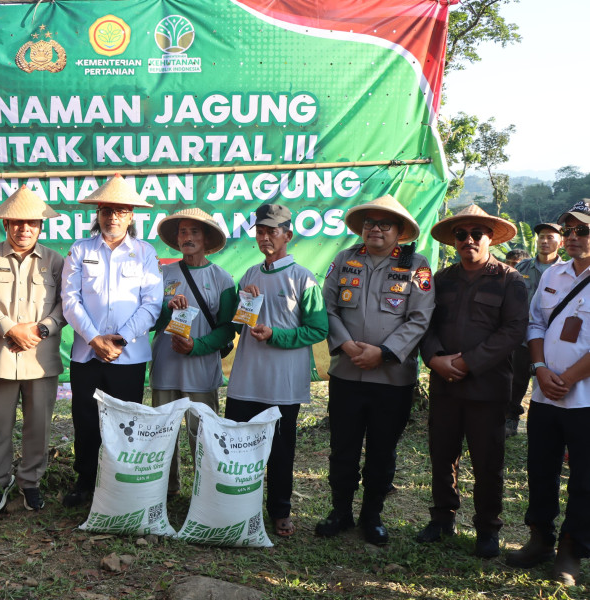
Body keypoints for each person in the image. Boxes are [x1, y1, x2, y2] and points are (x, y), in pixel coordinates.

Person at [315, 195, 434, 545]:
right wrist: (348, 346)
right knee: (343, 447)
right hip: (347, 373)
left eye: (385, 224)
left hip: (392, 379)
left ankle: (372, 515)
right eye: (370, 223)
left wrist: (383, 352)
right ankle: (340, 511)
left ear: (399, 231)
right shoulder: (345, 259)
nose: (376, 229)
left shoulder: (418, 266)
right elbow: (328, 307)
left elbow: (420, 318)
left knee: (382, 450)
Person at [417, 204, 528, 558]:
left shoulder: (511, 280)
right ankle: (442, 518)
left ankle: (487, 528)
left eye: (476, 234)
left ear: (490, 238)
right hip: (445, 385)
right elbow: (425, 324)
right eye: (461, 235)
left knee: (488, 462)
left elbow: (514, 330)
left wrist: (468, 361)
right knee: (442, 455)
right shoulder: (441, 279)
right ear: (453, 241)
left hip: (488, 388)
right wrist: (434, 359)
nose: (469, 240)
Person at [224, 203, 328, 538]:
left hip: (283, 384)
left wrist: (276, 335)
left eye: (273, 231)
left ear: (288, 235)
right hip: (245, 380)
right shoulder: (250, 275)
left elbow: (318, 329)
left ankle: (280, 510)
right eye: (261, 231)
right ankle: (240, 506)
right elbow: (241, 326)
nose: (266, 237)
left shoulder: (303, 278)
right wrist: (246, 308)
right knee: (239, 446)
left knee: (281, 450)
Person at [61, 174, 163, 507]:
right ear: (98, 213)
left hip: (128, 355)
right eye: (107, 210)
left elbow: (152, 303)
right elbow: (70, 299)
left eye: (120, 211)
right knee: (86, 420)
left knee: (125, 422)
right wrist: (93, 339)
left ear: (131, 215)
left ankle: (120, 484)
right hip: (86, 354)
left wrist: (118, 339)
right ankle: (85, 482)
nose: (113, 217)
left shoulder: (145, 253)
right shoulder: (80, 249)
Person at [0, 186, 66, 513]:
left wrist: (41, 329)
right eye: (16, 223)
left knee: (39, 424)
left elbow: (68, 303)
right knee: (0, 423)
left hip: (41, 357)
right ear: (6, 225)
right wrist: (10, 329)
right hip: (1, 357)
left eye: (32, 223)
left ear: (40, 226)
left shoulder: (55, 262)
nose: (24, 229)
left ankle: (31, 481)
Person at [506, 201, 590, 586]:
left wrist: (569, 377)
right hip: (543, 395)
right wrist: (540, 369)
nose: (573, 237)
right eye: (568, 230)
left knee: (584, 478)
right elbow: (536, 322)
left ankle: (571, 551)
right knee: (540, 469)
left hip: (584, 399)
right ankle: (539, 538)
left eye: (582, 231)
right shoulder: (552, 273)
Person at [150, 208, 236, 497]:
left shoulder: (223, 279)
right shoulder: (162, 273)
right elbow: (150, 320)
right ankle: (167, 491)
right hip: (165, 368)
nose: (187, 237)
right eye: (183, 232)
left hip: (201, 371)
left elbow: (227, 329)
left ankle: (206, 493)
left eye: (194, 232)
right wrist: (166, 309)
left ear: (206, 237)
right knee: (163, 435)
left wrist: (196, 346)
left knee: (203, 437)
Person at [507, 223, 564, 437]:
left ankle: (548, 425)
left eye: (550, 237)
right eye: (541, 236)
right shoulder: (521, 269)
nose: (544, 241)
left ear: (561, 242)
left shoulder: (566, 271)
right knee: (517, 379)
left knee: (549, 380)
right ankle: (511, 419)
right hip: (522, 338)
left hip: (552, 339)